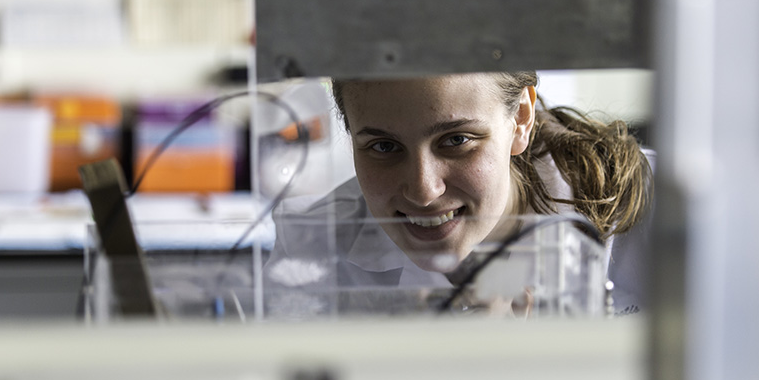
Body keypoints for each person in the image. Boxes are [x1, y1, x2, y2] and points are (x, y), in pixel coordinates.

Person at [264, 71, 654, 315]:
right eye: (383, 147)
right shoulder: (311, 248)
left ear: (520, 119)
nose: (424, 190)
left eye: (457, 140)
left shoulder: (661, 209)